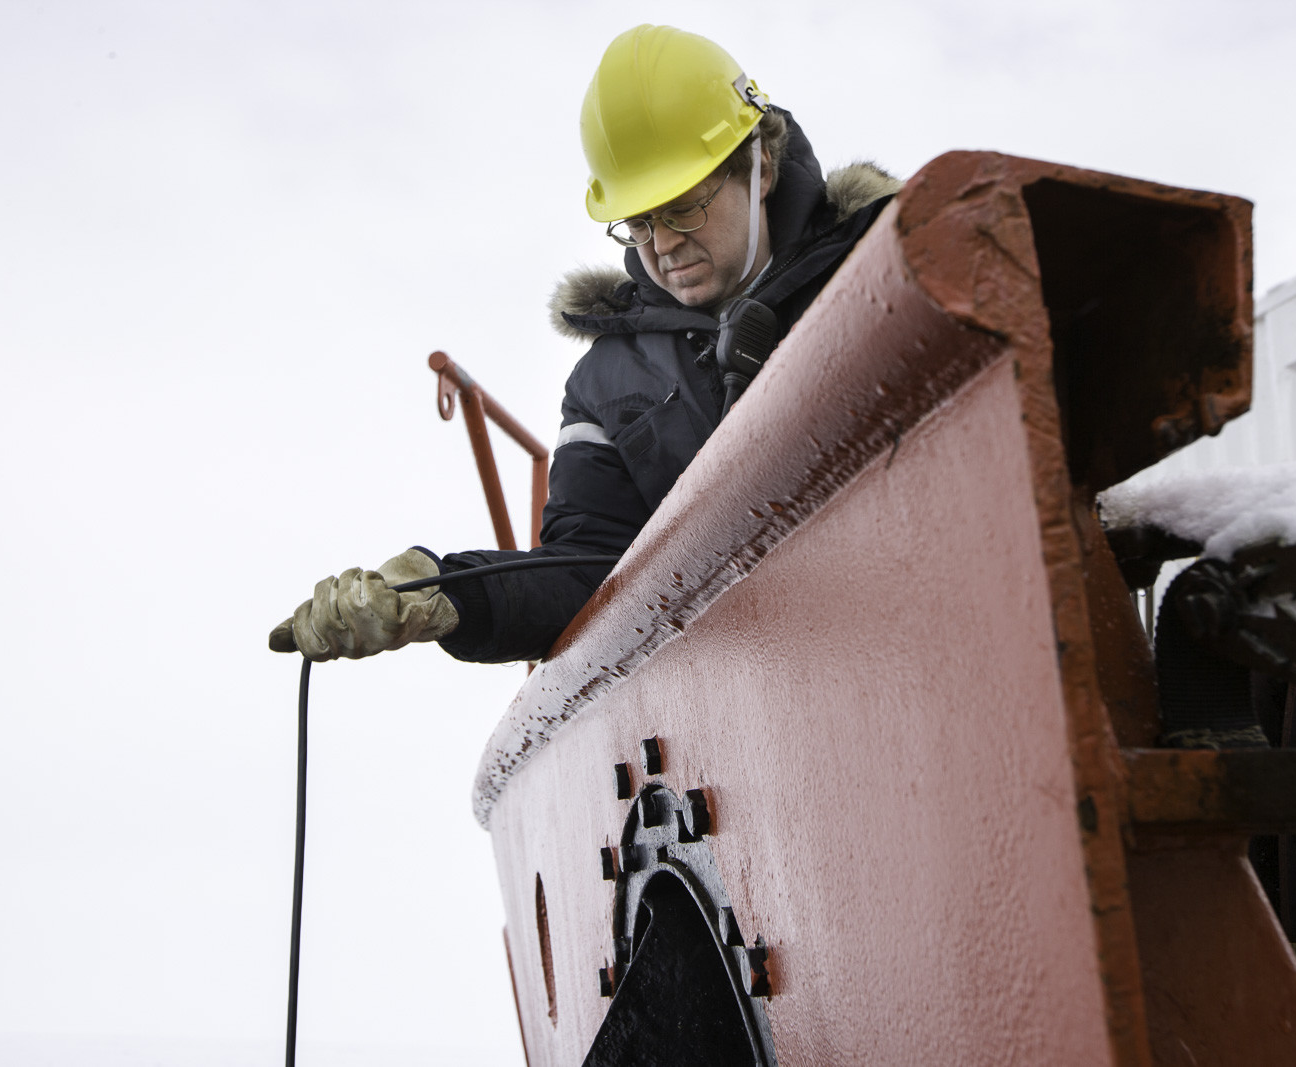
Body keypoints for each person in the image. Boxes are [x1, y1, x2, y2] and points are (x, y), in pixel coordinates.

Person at [269, 24, 902, 665]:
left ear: (759, 169)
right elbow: (588, 572)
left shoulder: (880, 264)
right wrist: (444, 591)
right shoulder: (607, 384)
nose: (663, 244)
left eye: (684, 208)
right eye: (639, 222)